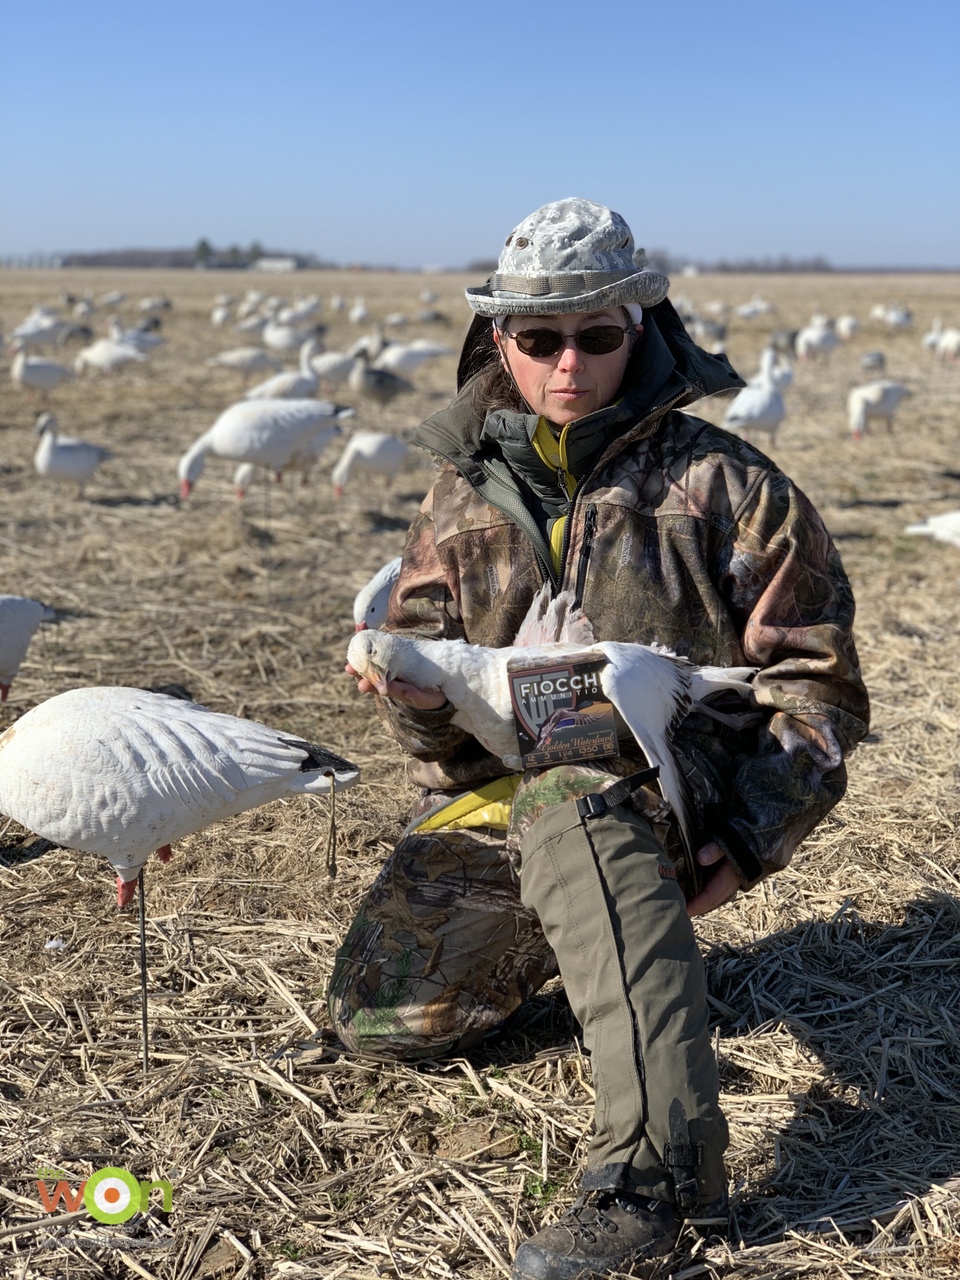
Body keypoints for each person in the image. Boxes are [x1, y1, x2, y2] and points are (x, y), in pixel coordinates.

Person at [335, 198, 869, 1280]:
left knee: (574, 790)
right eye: (539, 338)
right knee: (384, 1018)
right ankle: (605, 955)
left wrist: (752, 832)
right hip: (517, 798)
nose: (566, 360)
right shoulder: (456, 507)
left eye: (596, 333)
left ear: (643, 327)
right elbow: (439, 737)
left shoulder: (726, 487)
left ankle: (655, 1176)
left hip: (674, 792)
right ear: (501, 342)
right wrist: (418, 700)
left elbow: (821, 691)